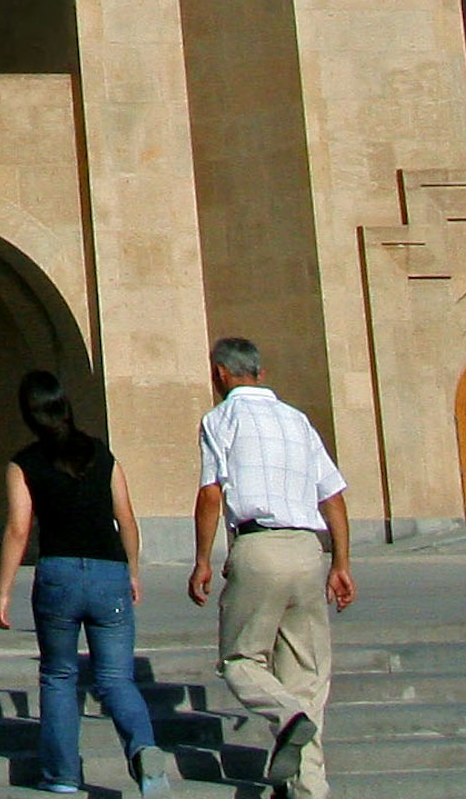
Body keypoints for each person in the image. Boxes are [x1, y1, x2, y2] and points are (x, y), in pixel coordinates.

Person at [0, 370, 173, 799]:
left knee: (58, 675)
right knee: (116, 679)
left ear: (28, 414)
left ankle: (63, 775)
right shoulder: (102, 456)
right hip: (109, 571)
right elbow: (125, 517)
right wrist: (132, 570)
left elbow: (19, 529)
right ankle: (144, 750)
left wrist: (3, 590)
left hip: (59, 574)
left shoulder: (24, 464)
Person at [187, 336, 353, 799]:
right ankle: (310, 790)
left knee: (241, 659)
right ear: (259, 372)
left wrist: (203, 558)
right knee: (306, 675)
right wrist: (341, 562)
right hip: (307, 548)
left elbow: (211, 494)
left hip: (258, 546)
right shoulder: (298, 420)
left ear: (220, 373)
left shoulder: (221, 419)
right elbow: (333, 497)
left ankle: (286, 717)